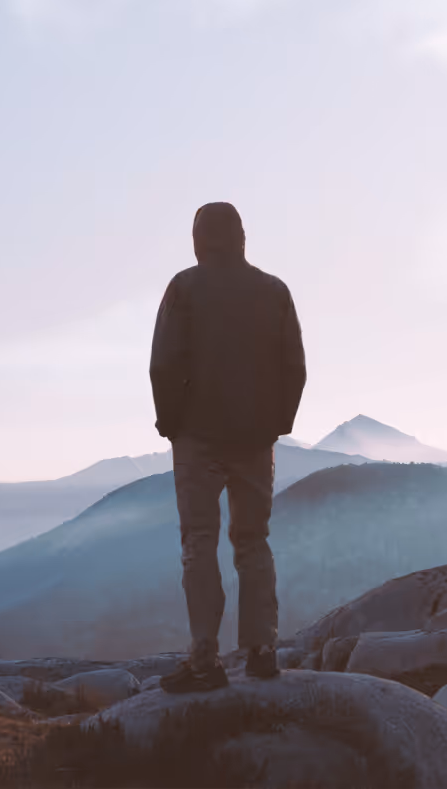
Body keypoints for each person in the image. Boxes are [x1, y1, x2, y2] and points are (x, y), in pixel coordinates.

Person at [149, 200, 307, 693]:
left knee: (200, 541)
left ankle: (204, 660)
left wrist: (171, 422)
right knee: (253, 540)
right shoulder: (274, 291)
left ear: (198, 240)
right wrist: (277, 423)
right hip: (256, 438)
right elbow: (294, 367)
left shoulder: (185, 287)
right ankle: (262, 651)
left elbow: (163, 364)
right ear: (242, 237)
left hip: (199, 436)